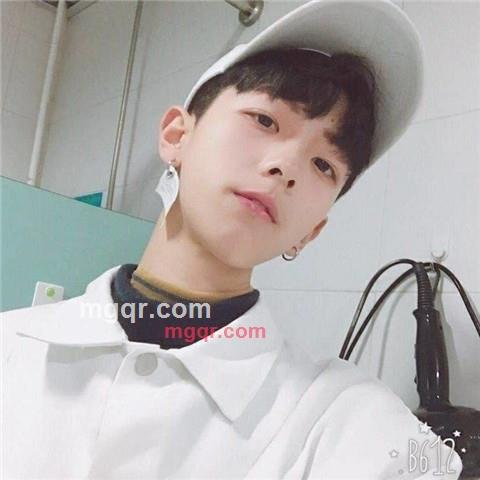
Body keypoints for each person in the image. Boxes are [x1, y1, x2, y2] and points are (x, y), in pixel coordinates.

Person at [1, 0, 463, 478]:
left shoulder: (345, 420)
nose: (287, 167)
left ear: (311, 231)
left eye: (323, 165)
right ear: (177, 136)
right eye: (265, 121)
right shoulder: (11, 346)